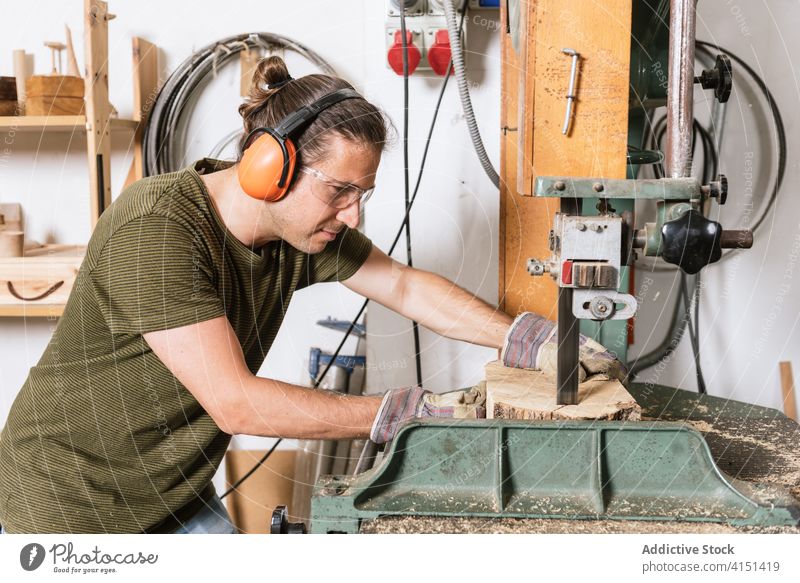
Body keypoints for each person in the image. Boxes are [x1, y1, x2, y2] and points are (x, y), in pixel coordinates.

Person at [0, 56, 624, 534]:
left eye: (363, 194)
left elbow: (404, 285)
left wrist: (533, 336)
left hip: (171, 494)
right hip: (63, 506)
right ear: (269, 167)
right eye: (339, 191)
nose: (352, 217)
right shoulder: (158, 227)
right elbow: (236, 405)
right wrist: (405, 412)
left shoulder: (303, 231)